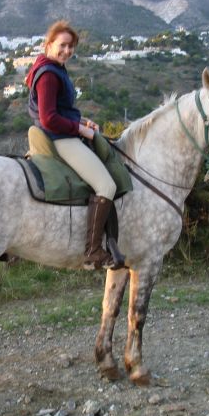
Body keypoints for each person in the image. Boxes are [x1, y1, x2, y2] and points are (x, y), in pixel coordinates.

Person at [26, 20, 122, 270]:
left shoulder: (51, 67)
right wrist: (80, 130)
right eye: (62, 45)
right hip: (60, 139)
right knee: (106, 185)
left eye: (71, 47)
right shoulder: (48, 74)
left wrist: (81, 120)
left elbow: (59, 110)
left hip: (60, 132)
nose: (67, 51)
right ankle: (92, 250)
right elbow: (49, 118)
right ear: (49, 44)